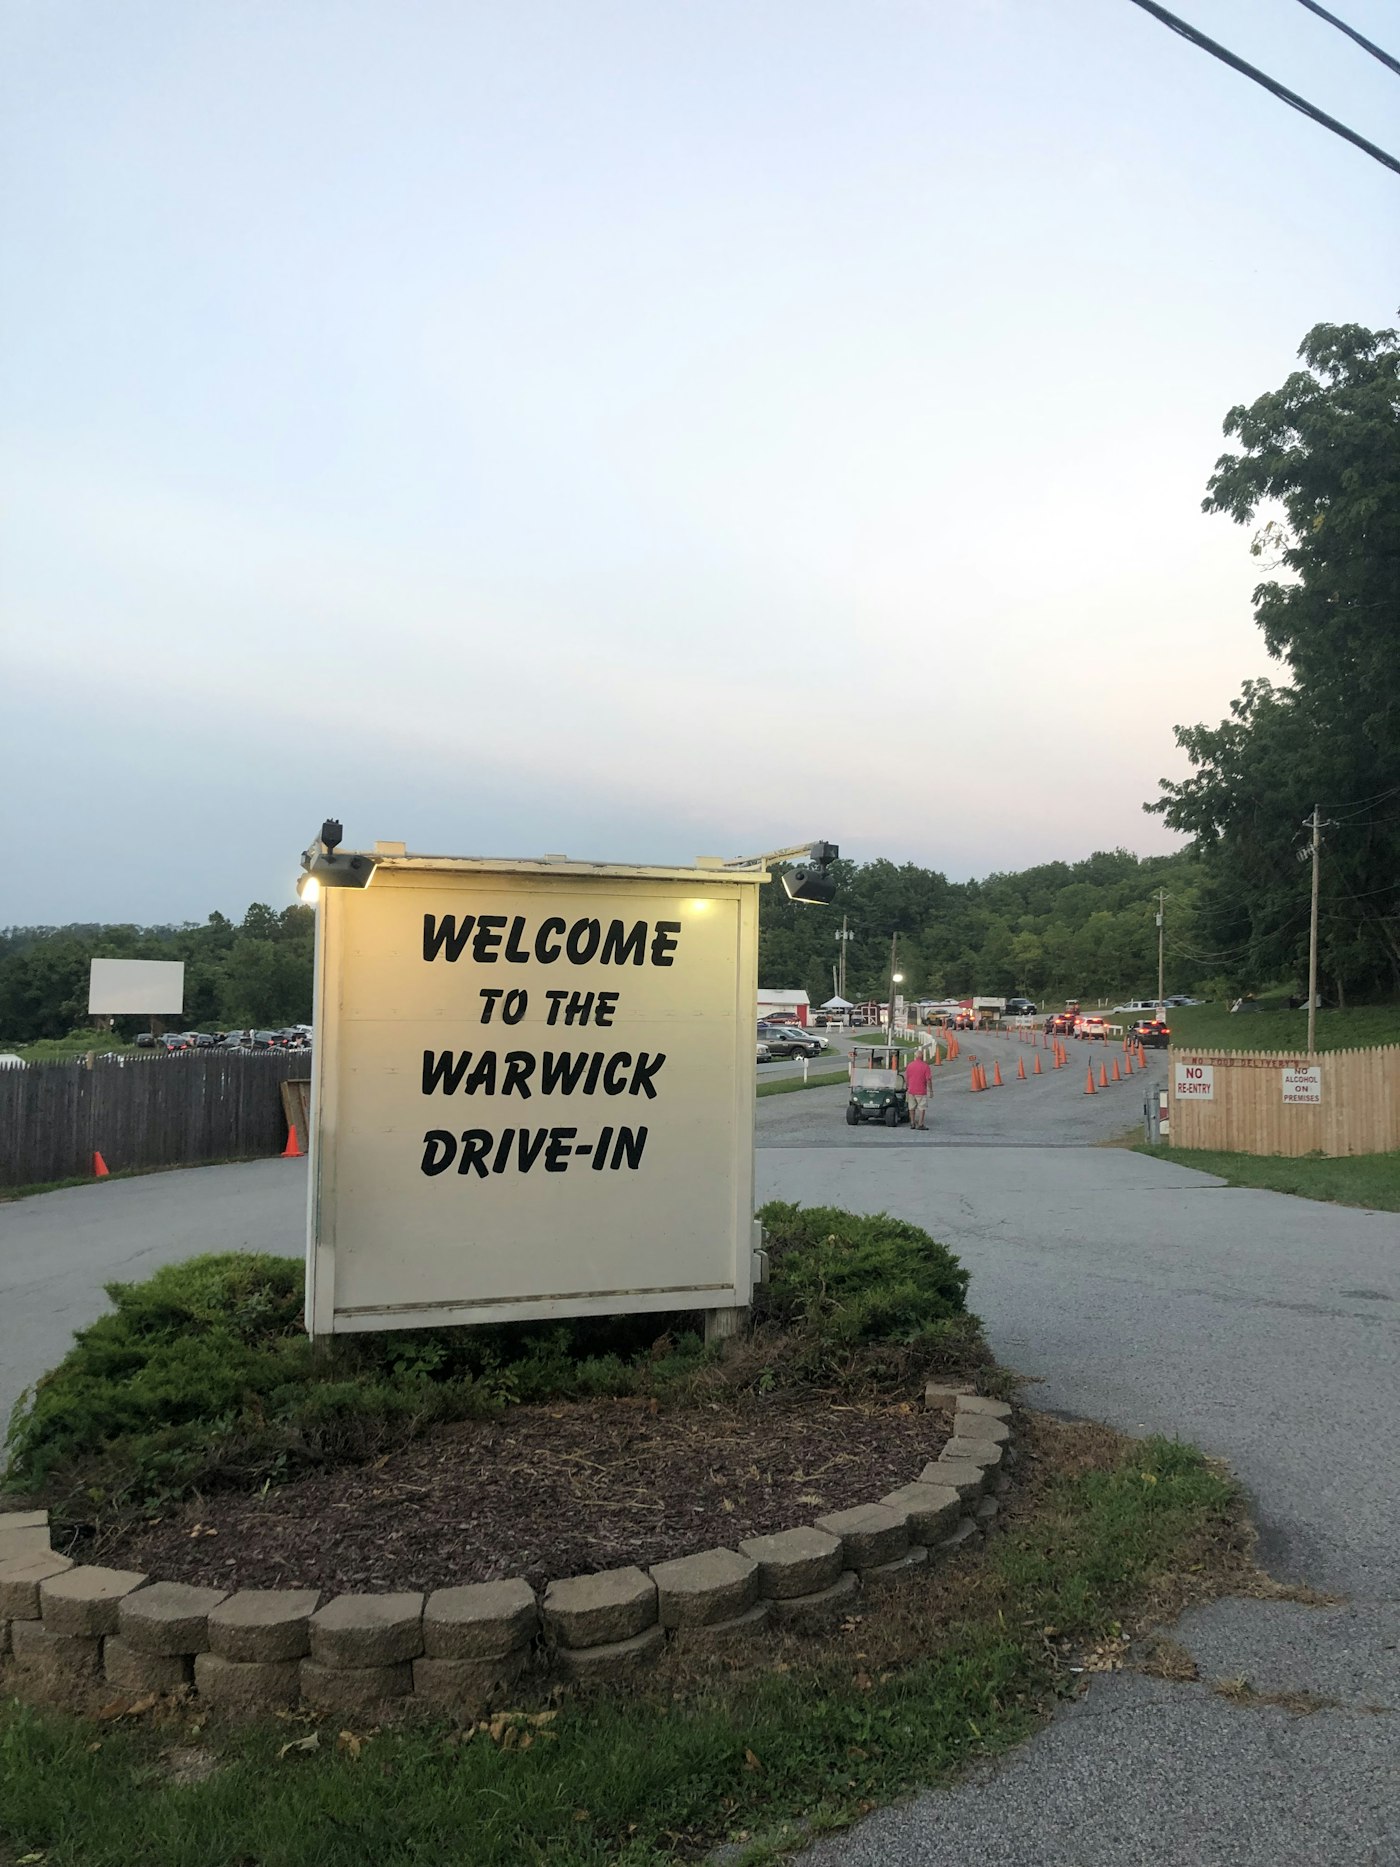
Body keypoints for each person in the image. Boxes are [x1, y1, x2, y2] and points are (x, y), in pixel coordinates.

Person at [904, 1050, 933, 1130]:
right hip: (921, 1090)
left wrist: (907, 1086)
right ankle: (920, 1124)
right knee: (922, 1107)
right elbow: (928, 1079)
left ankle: (912, 1123)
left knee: (911, 1107)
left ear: (915, 1056)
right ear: (922, 1056)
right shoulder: (925, 1066)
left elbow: (906, 1078)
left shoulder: (910, 1065)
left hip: (911, 1090)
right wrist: (931, 1090)